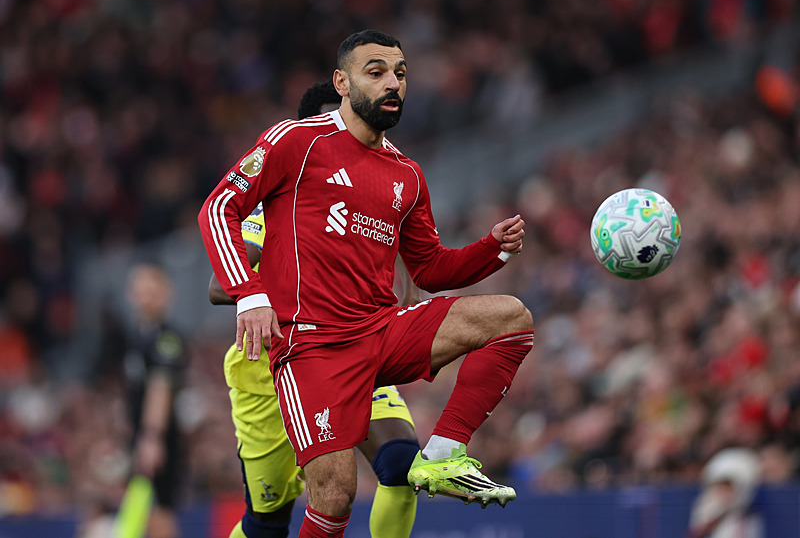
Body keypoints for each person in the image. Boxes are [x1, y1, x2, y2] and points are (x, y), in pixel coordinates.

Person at [198, 30, 534, 537]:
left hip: (379, 331)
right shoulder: (296, 142)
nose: (392, 83)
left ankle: (443, 454)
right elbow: (220, 208)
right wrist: (251, 293)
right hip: (310, 348)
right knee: (325, 501)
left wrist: (492, 248)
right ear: (342, 82)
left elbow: (431, 270)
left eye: (399, 73)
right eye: (375, 72)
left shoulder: (406, 174)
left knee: (512, 318)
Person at [208, 79, 421, 538]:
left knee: (403, 466)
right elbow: (217, 286)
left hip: (350, 355)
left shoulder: (377, 199)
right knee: (268, 522)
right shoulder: (274, 204)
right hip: (269, 374)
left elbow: (401, 283)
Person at [122, 264, 185, 538]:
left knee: (160, 508)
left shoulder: (166, 338)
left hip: (158, 438)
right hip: (140, 435)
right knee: (144, 509)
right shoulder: (136, 336)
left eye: (152, 290)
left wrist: (151, 438)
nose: (146, 297)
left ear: (166, 293)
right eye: (140, 291)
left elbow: (161, 388)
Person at [686, 448, 764, 538]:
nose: (723, 491)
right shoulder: (704, 507)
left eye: (728, 486)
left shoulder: (747, 515)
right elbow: (695, 531)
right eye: (720, 485)